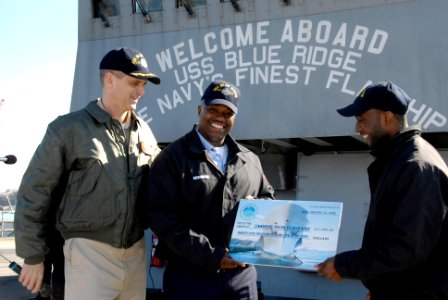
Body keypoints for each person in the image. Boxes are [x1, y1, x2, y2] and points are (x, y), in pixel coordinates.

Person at [14, 47, 161, 300]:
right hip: (89, 253)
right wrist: (33, 256)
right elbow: (34, 193)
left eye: (144, 84)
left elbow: (167, 181)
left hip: (136, 252)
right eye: (135, 82)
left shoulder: (144, 131)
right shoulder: (67, 129)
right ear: (110, 80)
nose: (141, 91)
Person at [143, 80, 275, 300]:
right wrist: (212, 255)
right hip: (190, 277)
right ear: (199, 110)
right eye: (213, 110)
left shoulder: (249, 160)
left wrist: (257, 208)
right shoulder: (172, 158)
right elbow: (161, 217)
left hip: (241, 277)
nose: (219, 118)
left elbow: (269, 200)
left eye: (227, 113)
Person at [317, 81, 448, 300]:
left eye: (361, 120)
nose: (357, 128)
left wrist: (344, 265)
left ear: (387, 118)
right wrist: (382, 288)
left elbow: (407, 246)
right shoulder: (401, 159)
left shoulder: (414, 165)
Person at [28, 227, 65, 300]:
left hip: (48, 234)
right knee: (58, 268)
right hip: (57, 232)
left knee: (50, 268)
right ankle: (57, 295)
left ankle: (45, 295)